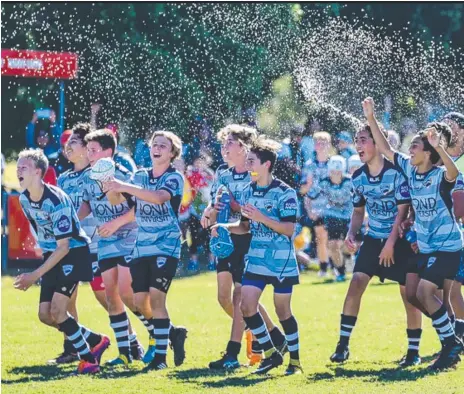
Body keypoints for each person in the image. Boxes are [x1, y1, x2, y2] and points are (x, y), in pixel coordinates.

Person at [364, 97, 463, 370]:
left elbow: (453, 171)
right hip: (427, 246)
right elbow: (385, 148)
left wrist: (439, 147)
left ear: (429, 153)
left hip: (448, 247)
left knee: (424, 290)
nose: (410, 149)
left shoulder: (440, 174)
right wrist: (371, 118)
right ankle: (453, 339)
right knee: (414, 294)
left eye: (416, 146)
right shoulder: (410, 168)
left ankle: (451, 341)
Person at [329, 118, 423, 368]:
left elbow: (403, 213)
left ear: (377, 143)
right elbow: (358, 212)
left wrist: (391, 244)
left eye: (363, 140)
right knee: (356, 283)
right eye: (356, 140)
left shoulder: (396, 173)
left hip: (400, 241)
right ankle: (342, 346)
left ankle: (413, 351)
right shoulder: (358, 176)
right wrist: (351, 233)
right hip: (373, 239)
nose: (357, 145)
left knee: (409, 295)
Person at [14, 148, 108, 374]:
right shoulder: (24, 198)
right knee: (45, 315)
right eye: (17, 167)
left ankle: (89, 359)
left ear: (38, 172)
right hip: (53, 254)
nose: (18, 171)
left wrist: (34, 275)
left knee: (58, 311)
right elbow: (41, 231)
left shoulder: (56, 200)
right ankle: (96, 339)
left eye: (23, 167)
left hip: (73, 254)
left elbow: (64, 246)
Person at [214, 135, 302, 375]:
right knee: (246, 305)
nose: (249, 166)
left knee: (283, 311)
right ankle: (272, 354)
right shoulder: (247, 192)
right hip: (256, 259)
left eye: (252, 161)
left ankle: (295, 361)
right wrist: (222, 228)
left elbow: (288, 229)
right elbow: (244, 226)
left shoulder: (285, 193)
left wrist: (261, 217)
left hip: (280, 261)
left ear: (267, 165)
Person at [104, 130, 188, 371]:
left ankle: (160, 358)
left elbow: (159, 198)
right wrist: (110, 185)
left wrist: (124, 186)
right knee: (140, 301)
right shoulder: (139, 175)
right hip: (142, 246)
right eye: (154, 144)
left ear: (172, 153)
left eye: (163, 145)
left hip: (166, 245)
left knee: (157, 299)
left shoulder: (175, 177)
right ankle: (173, 333)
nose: (157, 148)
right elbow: (118, 202)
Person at [77, 129, 146, 366]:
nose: (89, 154)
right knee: (110, 294)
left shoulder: (125, 174)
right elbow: (87, 203)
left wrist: (115, 222)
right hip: (106, 239)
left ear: (108, 152)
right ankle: (125, 353)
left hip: (129, 236)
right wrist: (75, 222)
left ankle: (163, 333)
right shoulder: (87, 176)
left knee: (128, 293)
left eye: (94, 150)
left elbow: (139, 209)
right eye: (88, 150)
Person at [50, 123, 110, 364]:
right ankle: (73, 348)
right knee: (68, 299)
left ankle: (133, 341)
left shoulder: (95, 173)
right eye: (69, 141)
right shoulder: (63, 179)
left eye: (74, 141)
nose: (68, 145)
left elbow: (88, 208)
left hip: (96, 247)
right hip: (71, 248)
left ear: (87, 148)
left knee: (107, 299)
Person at [309, 155, 352, 282]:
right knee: (332, 245)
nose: (335, 174)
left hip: (349, 217)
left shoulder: (351, 181)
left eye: (338, 171)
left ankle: (348, 257)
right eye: (333, 171)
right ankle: (341, 271)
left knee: (348, 245)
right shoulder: (324, 182)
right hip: (332, 216)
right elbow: (309, 195)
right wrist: (310, 211)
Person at [300, 131, 334, 276]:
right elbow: (303, 191)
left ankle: (337, 264)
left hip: (334, 207)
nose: (320, 146)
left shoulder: (334, 163)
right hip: (316, 207)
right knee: (321, 238)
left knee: (334, 240)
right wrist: (308, 209)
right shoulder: (309, 165)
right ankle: (324, 267)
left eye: (323, 142)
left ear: (329, 144)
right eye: (318, 143)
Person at [443, 111, 464, 343]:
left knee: (452, 288)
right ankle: (455, 337)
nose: (447, 130)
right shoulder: (442, 161)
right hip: (451, 236)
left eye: (452, 125)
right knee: (449, 289)